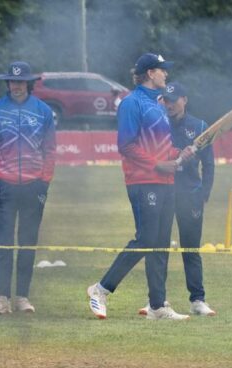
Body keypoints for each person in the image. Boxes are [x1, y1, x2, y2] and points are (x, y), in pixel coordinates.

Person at [86, 53, 194, 320]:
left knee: (160, 244)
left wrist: (179, 153)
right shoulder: (131, 103)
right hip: (143, 180)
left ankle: (157, 305)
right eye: (162, 70)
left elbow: (161, 144)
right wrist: (158, 165)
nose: (165, 74)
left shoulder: (159, 104)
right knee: (145, 239)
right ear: (149, 73)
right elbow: (126, 145)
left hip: (165, 181)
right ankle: (100, 289)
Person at [0, 61, 56, 314]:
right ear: (8, 83)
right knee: (3, 243)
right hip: (4, 184)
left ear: (28, 83)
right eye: (12, 81)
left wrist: (44, 180)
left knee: (27, 243)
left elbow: (50, 149)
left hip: (34, 185)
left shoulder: (44, 111)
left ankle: (22, 297)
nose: (16, 86)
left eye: (21, 81)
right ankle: (2, 298)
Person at [138, 82, 216, 317]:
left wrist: (204, 193)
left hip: (189, 195)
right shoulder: (157, 123)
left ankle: (198, 300)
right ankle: (155, 301)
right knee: (158, 248)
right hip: (162, 192)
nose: (170, 104)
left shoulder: (199, 126)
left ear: (185, 100)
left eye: (174, 100)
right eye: (166, 100)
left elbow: (209, 164)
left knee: (190, 248)